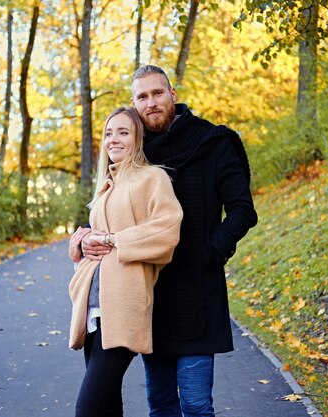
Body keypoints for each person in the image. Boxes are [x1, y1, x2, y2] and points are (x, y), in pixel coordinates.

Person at [72, 65, 258, 417]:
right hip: (149, 292)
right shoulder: (136, 151)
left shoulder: (213, 142)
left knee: (196, 403)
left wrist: (209, 253)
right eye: (142, 97)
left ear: (173, 94)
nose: (151, 102)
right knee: (160, 403)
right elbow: (109, 209)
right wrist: (84, 238)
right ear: (134, 103)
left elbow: (242, 211)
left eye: (157, 93)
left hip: (197, 290)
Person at [68, 106, 183, 417]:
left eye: (123, 132)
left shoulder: (152, 177)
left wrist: (109, 239)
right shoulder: (107, 185)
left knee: (87, 409)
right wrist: (81, 241)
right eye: (108, 133)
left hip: (123, 306)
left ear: (137, 139)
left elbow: (167, 231)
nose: (113, 139)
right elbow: (96, 235)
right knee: (106, 406)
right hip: (93, 309)